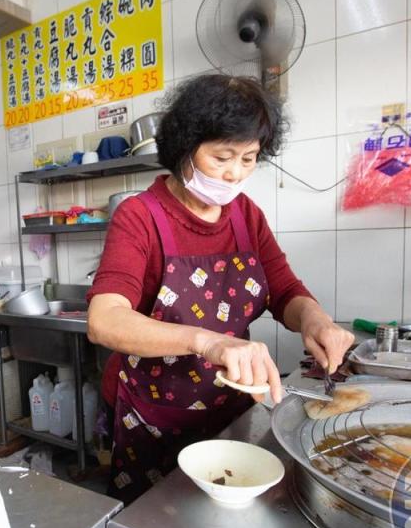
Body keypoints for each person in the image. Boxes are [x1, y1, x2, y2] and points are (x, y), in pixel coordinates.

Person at [87, 75, 354, 503]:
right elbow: (105, 320)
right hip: (154, 414)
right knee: (156, 523)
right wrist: (207, 342)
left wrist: (316, 320)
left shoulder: (246, 215)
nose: (234, 174)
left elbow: (283, 290)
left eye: (248, 159)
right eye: (222, 157)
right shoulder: (140, 216)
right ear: (184, 148)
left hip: (231, 410)